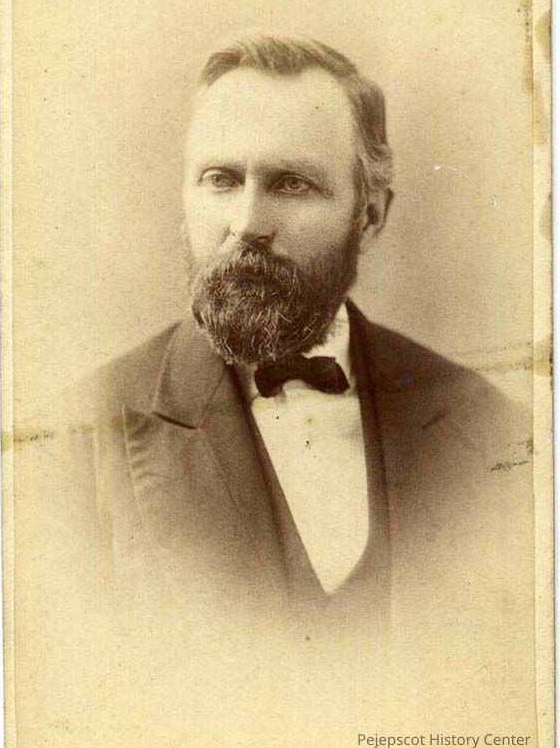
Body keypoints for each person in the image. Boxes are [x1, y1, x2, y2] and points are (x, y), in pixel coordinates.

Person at [70, 35, 533, 646]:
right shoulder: (76, 436)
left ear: (369, 217)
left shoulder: (493, 431)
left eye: (291, 184)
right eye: (220, 180)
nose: (247, 225)